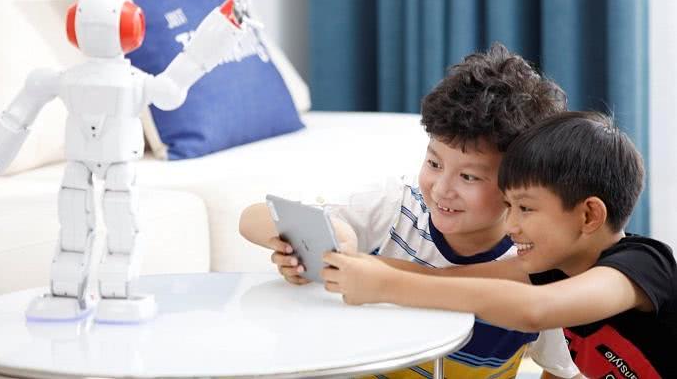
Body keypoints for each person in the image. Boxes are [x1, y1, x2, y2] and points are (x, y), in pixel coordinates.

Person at [240, 43, 580, 378]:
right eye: (434, 163)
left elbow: (562, 370)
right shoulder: (396, 207)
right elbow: (251, 218)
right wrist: (319, 242)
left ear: (520, 185)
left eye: (469, 177)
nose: (442, 188)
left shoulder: (539, 263)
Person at [323, 111, 677, 378]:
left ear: (588, 216)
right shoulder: (552, 269)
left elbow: (534, 310)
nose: (510, 226)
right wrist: (346, 263)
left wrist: (384, 285)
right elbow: (448, 278)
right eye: (508, 207)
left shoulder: (645, 264)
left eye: (525, 208)